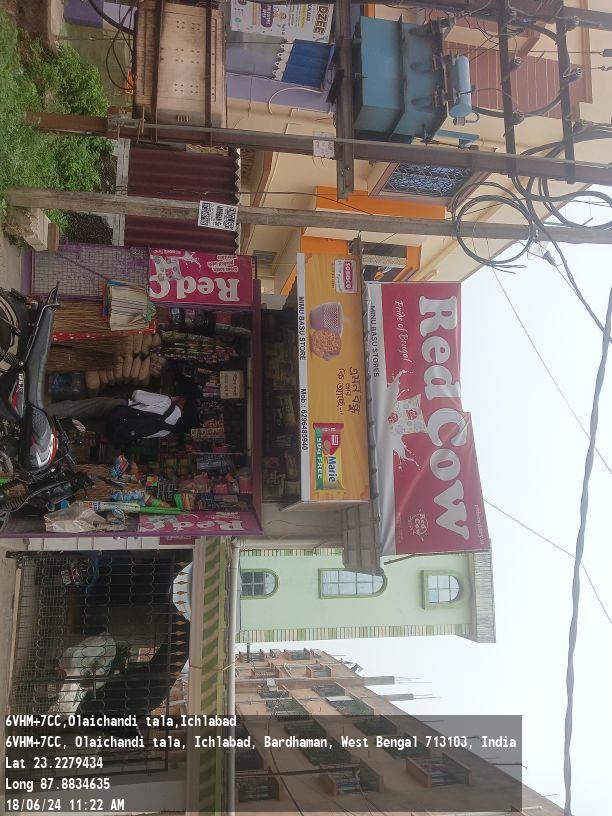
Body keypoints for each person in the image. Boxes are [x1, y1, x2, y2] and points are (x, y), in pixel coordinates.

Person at [48, 389, 186, 440]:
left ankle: (44, 412)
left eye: (181, 398)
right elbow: (143, 435)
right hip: (116, 428)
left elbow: (137, 395)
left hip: (118, 408)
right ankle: (49, 426)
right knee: (79, 424)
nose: (178, 397)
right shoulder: (167, 431)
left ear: (183, 403)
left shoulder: (167, 402)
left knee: (76, 408)